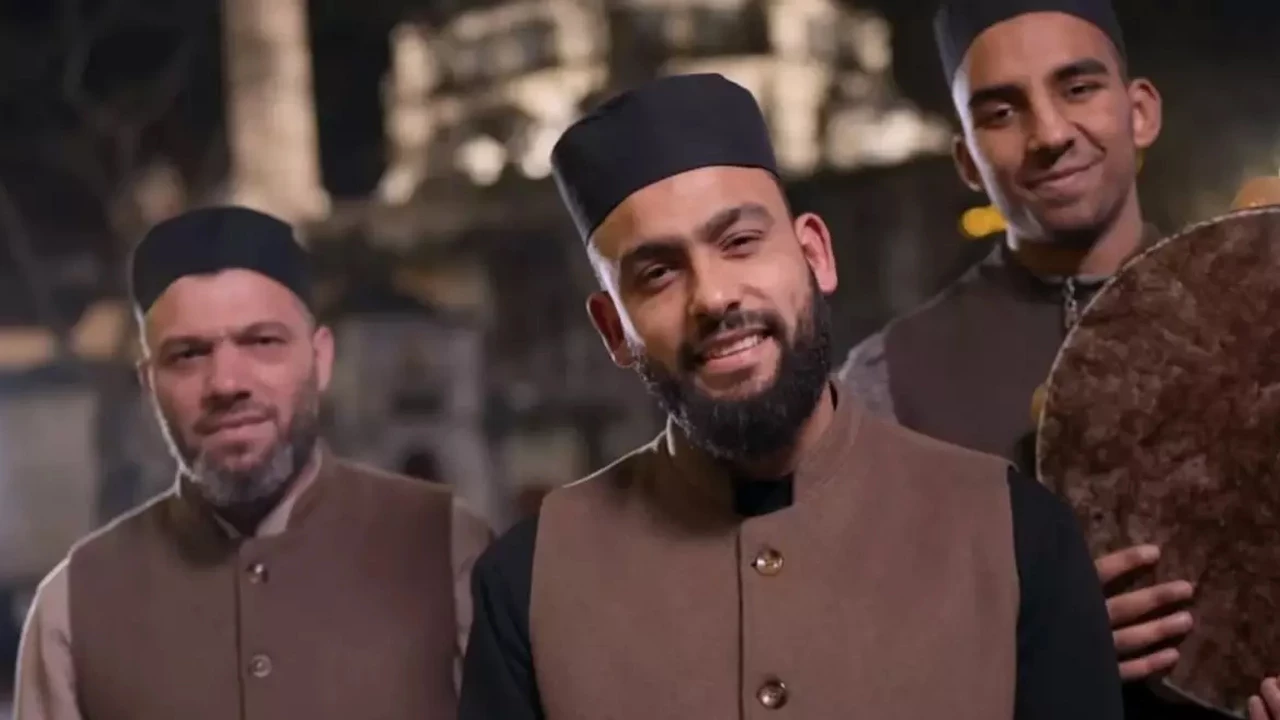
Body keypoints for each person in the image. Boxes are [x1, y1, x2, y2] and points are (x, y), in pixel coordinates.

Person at [459, 72, 1122, 720]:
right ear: (614, 330)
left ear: (815, 254)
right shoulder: (529, 584)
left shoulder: (1016, 536)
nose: (714, 297)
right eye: (658, 274)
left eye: (740, 243)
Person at [839, 1, 1238, 717]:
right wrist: (1024, 649)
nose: (1050, 134)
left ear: (1140, 111)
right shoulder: (888, 380)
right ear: (968, 160)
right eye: (1001, 113)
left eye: (1078, 88)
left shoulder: (1256, 312)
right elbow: (854, 649)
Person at [14, 206, 491, 720]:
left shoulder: (449, 551)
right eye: (188, 354)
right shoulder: (73, 608)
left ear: (321, 359)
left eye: (262, 342)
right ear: (150, 383)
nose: (226, 383)